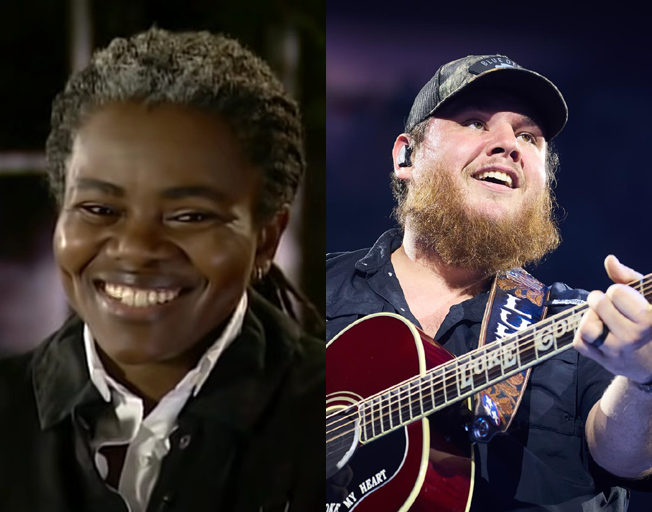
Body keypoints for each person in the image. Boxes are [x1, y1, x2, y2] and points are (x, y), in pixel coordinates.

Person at [0, 28, 324, 512]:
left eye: (189, 216)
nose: (135, 248)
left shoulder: (344, 414)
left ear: (266, 239)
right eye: (98, 208)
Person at [326, 54, 652, 511]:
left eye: (528, 136)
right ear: (406, 155)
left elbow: (626, 457)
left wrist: (642, 380)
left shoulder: (585, 324)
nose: (508, 145)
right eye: (476, 122)